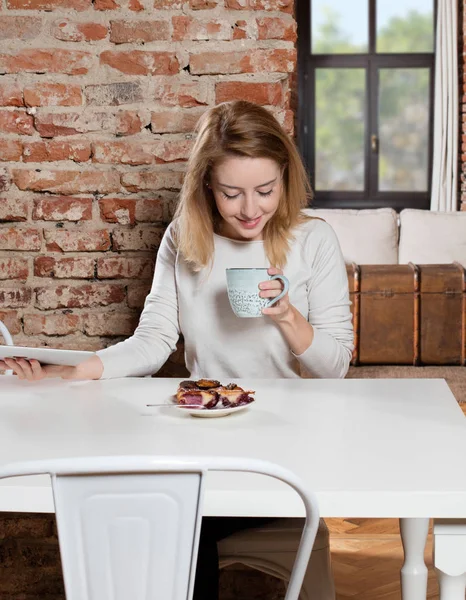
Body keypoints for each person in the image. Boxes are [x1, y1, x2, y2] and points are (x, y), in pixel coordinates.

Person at [1, 100, 354, 598]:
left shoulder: (314, 240)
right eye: (232, 193)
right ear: (207, 185)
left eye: (266, 190)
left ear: (286, 180)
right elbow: (152, 342)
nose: (250, 209)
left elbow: (336, 366)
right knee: (154, 505)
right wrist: (70, 373)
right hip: (202, 437)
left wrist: (289, 318)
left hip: (286, 445)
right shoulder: (184, 240)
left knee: (178, 519)